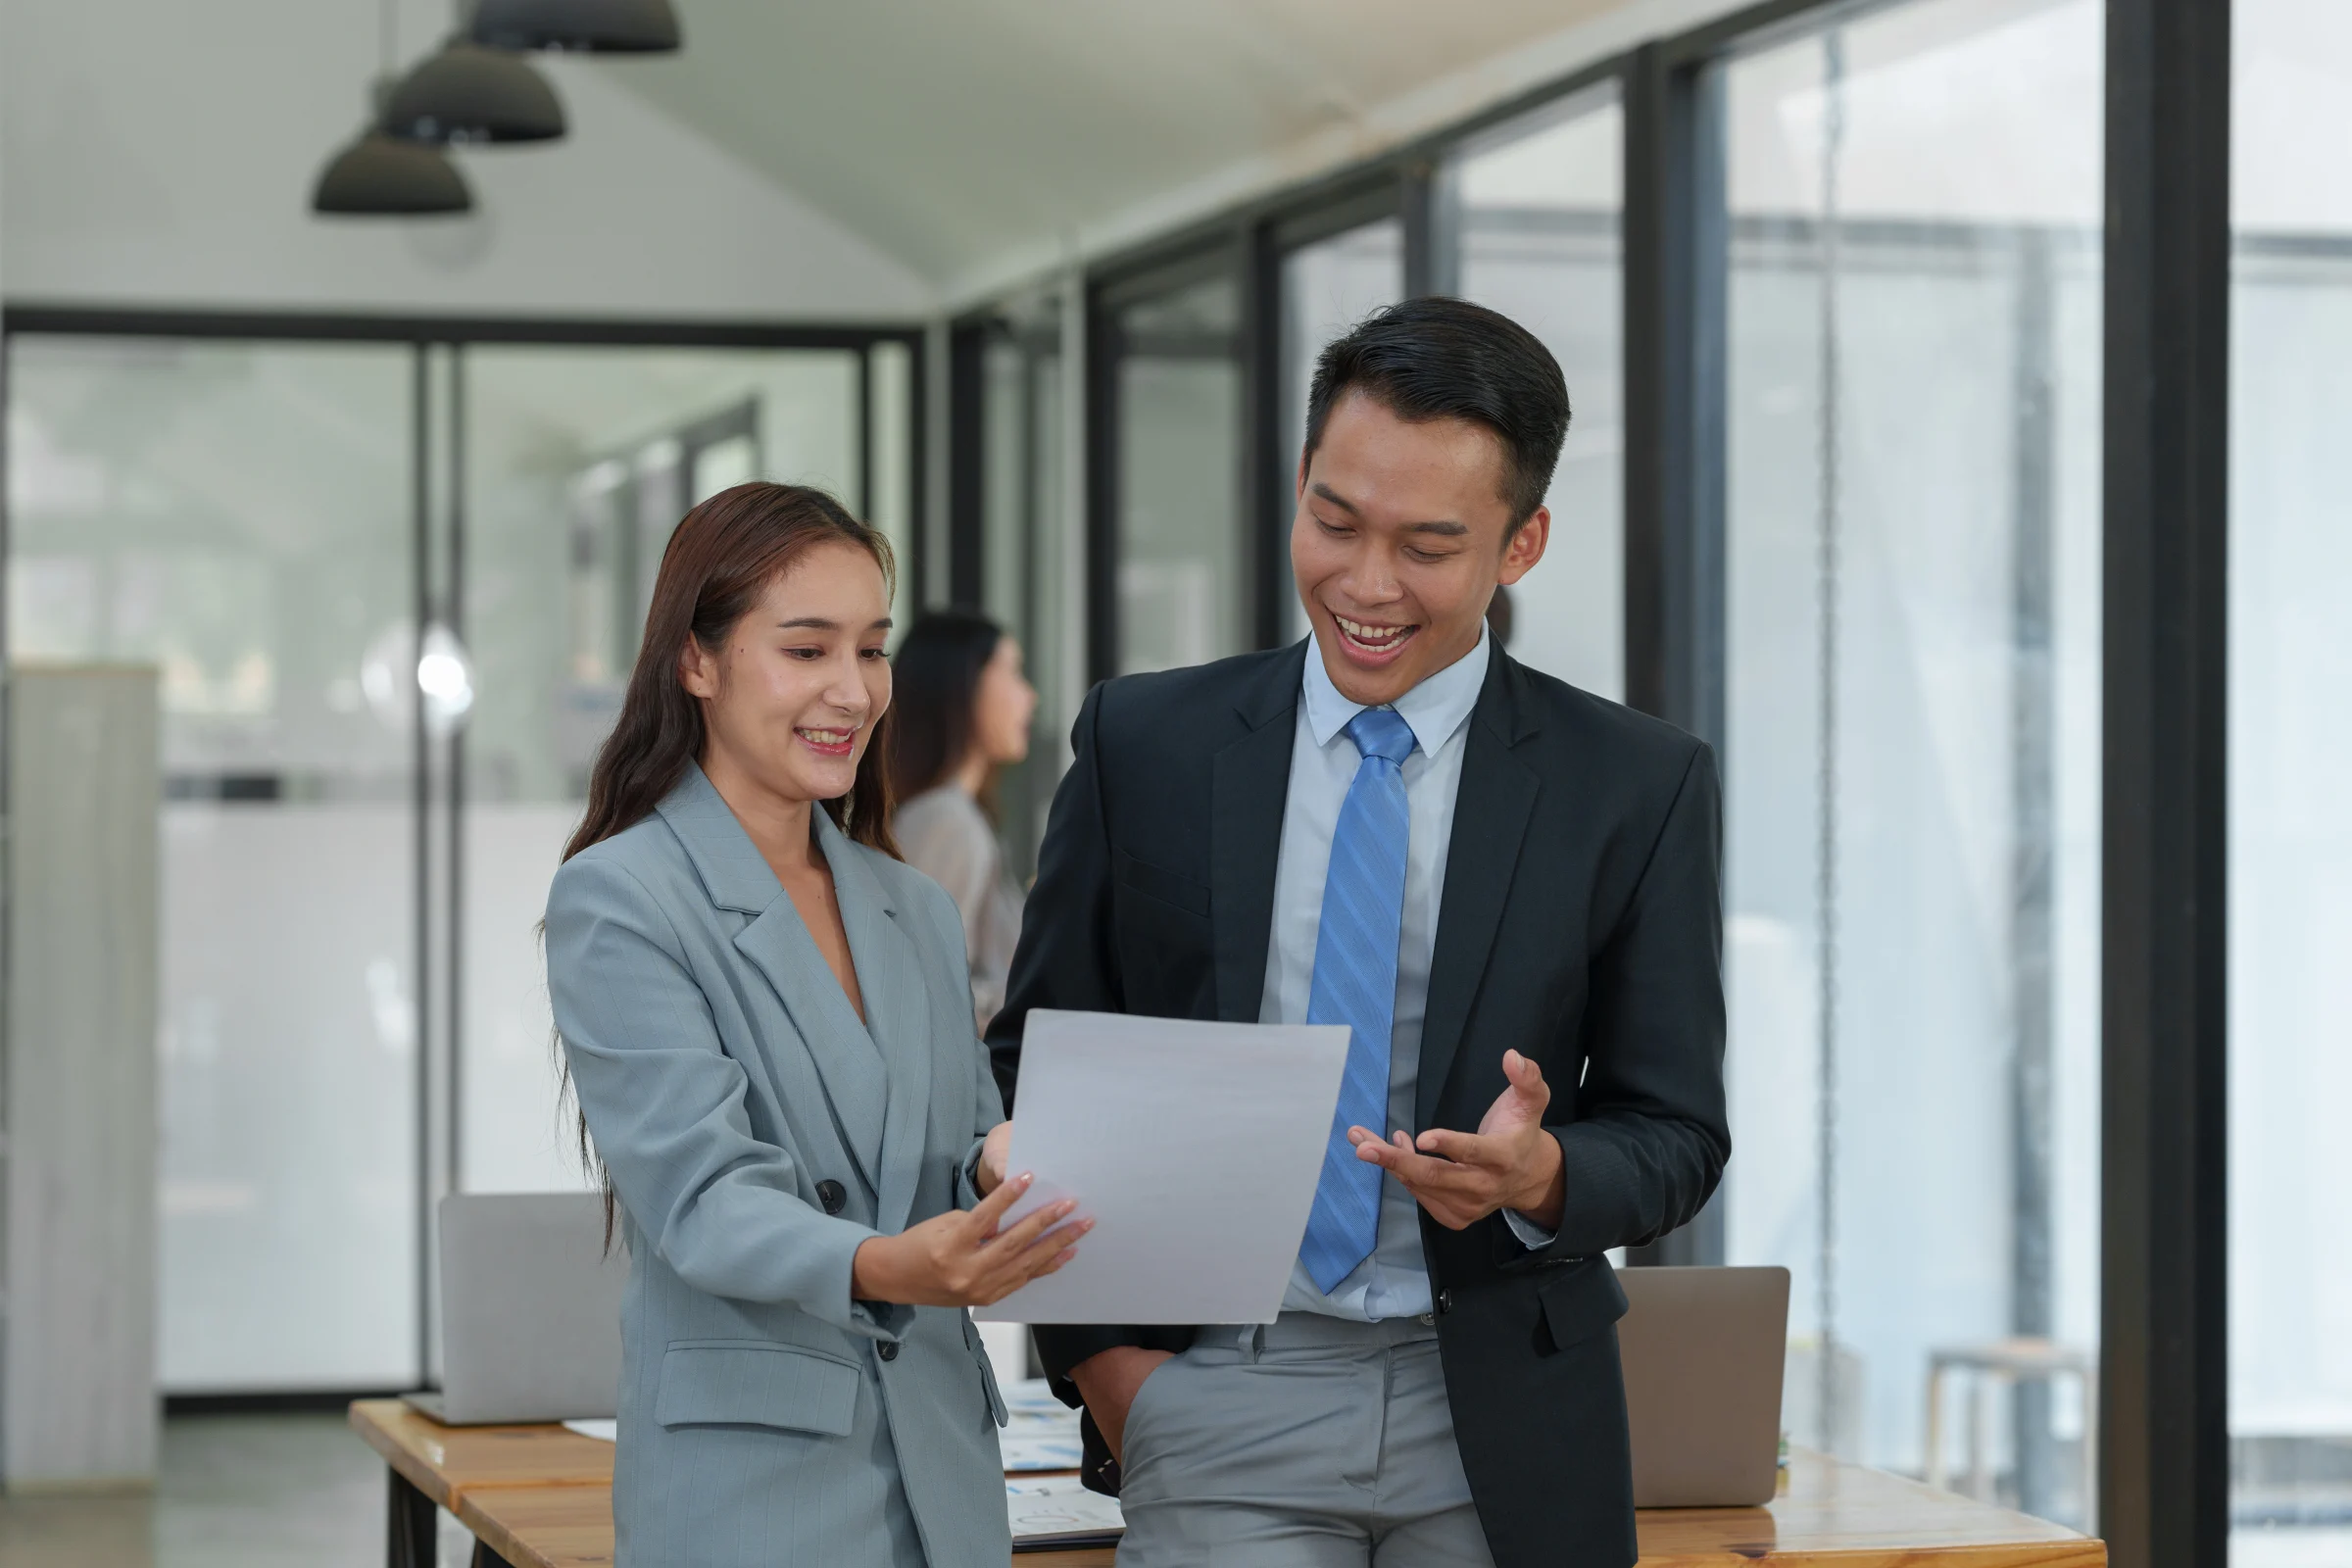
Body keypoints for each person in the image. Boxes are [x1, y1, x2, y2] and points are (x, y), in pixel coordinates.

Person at [986, 299, 1729, 1568]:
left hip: (1498, 1413)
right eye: (1334, 521)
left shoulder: (1632, 784)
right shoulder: (1144, 746)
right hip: (1217, 1395)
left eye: (1429, 546)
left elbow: (1675, 1134)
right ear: (1301, 485)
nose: (1366, 584)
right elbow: (1033, 1067)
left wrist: (1539, 1176)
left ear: (1523, 542)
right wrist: (1115, 1375)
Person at [543, 482, 1087, 1568]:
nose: (853, 690)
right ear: (697, 662)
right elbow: (704, 1201)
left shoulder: (913, 904)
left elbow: (960, 1138)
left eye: (872, 650)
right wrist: (896, 1263)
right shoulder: (624, 896)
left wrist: (1002, 1168)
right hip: (753, 1489)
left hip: (941, 1470)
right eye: (807, 650)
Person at [886, 611, 1039, 1032]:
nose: (1030, 696)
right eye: (1013, 671)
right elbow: (921, 992)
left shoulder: (953, 815)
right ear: (964, 682)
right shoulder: (946, 821)